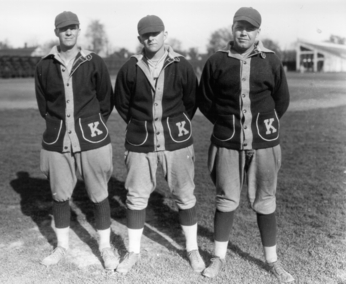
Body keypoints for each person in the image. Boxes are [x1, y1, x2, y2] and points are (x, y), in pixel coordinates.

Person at [198, 7, 294, 282]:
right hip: (227, 142)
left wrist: (262, 128)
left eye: (249, 28)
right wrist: (228, 125)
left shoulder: (272, 61)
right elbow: (205, 100)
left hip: (265, 144)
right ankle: (217, 258)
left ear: (257, 32)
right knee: (226, 200)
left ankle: (272, 261)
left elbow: (281, 100)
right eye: (239, 26)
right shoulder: (217, 61)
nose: (244, 32)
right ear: (232, 28)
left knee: (265, 201)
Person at [114, 15, 205, 275]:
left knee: (185, 194)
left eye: (156, 33)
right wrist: (142, 125)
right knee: (136, 196)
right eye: (146, 34)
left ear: (166, 34)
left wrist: (172, 124)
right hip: (140, 140)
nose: (151, 37)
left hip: (176, 140)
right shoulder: (129, 68)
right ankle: (132, 252)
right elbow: (122, 104)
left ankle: (192, 249)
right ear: (140, 38)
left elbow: (191, 102)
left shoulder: (182, 65)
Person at [34, 11, 118, 270]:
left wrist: (89, 124)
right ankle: (62, 247)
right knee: (60, 195)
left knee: (99, 194)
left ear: (79, 30)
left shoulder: (94, 61)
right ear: (56, 32)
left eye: (72, 28)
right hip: (58, 139)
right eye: (63, 29)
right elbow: (43, 106)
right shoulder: (45, 64)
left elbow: (106, 101)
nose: (68, 32)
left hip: (92, 138)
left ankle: (105, 246)